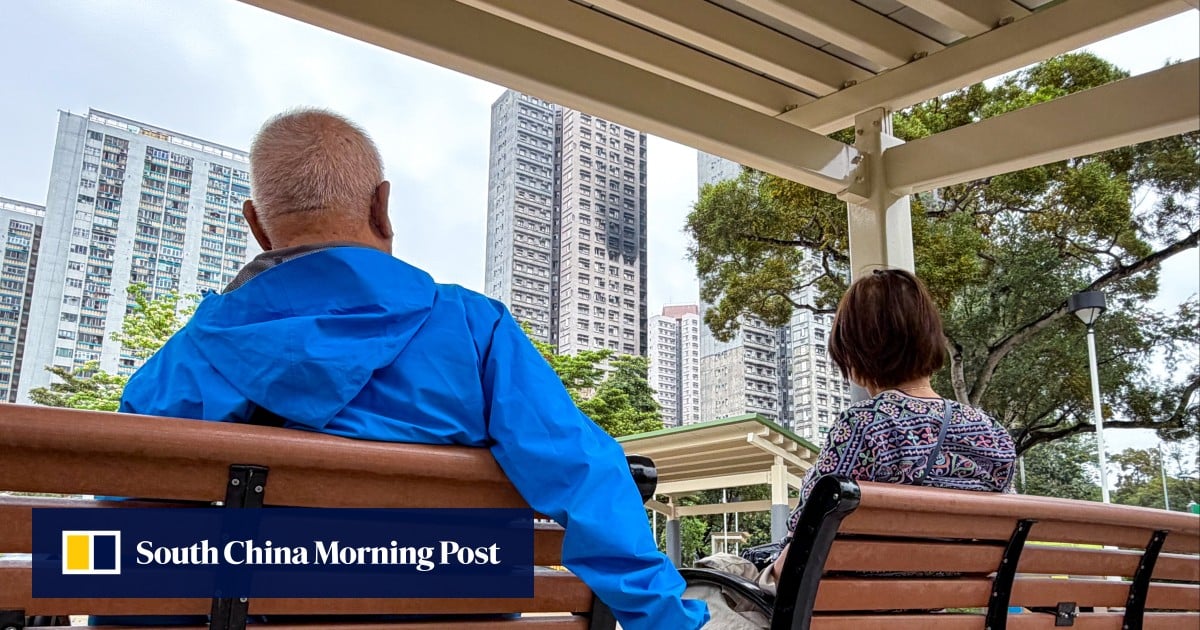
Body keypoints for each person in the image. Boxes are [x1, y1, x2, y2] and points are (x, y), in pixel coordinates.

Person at [115, 109, 708, 630]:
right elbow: (584, 475)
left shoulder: (189, 360)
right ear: (382, 206)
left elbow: (125, 552)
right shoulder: (477, 330)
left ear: (257, 223)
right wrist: (669, 622)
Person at [769, 268, 1016, 583]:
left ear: (855, 353)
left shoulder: (866, 425)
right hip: (942, 607)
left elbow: (805, 532)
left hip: (851, 608)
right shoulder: (993, 435)